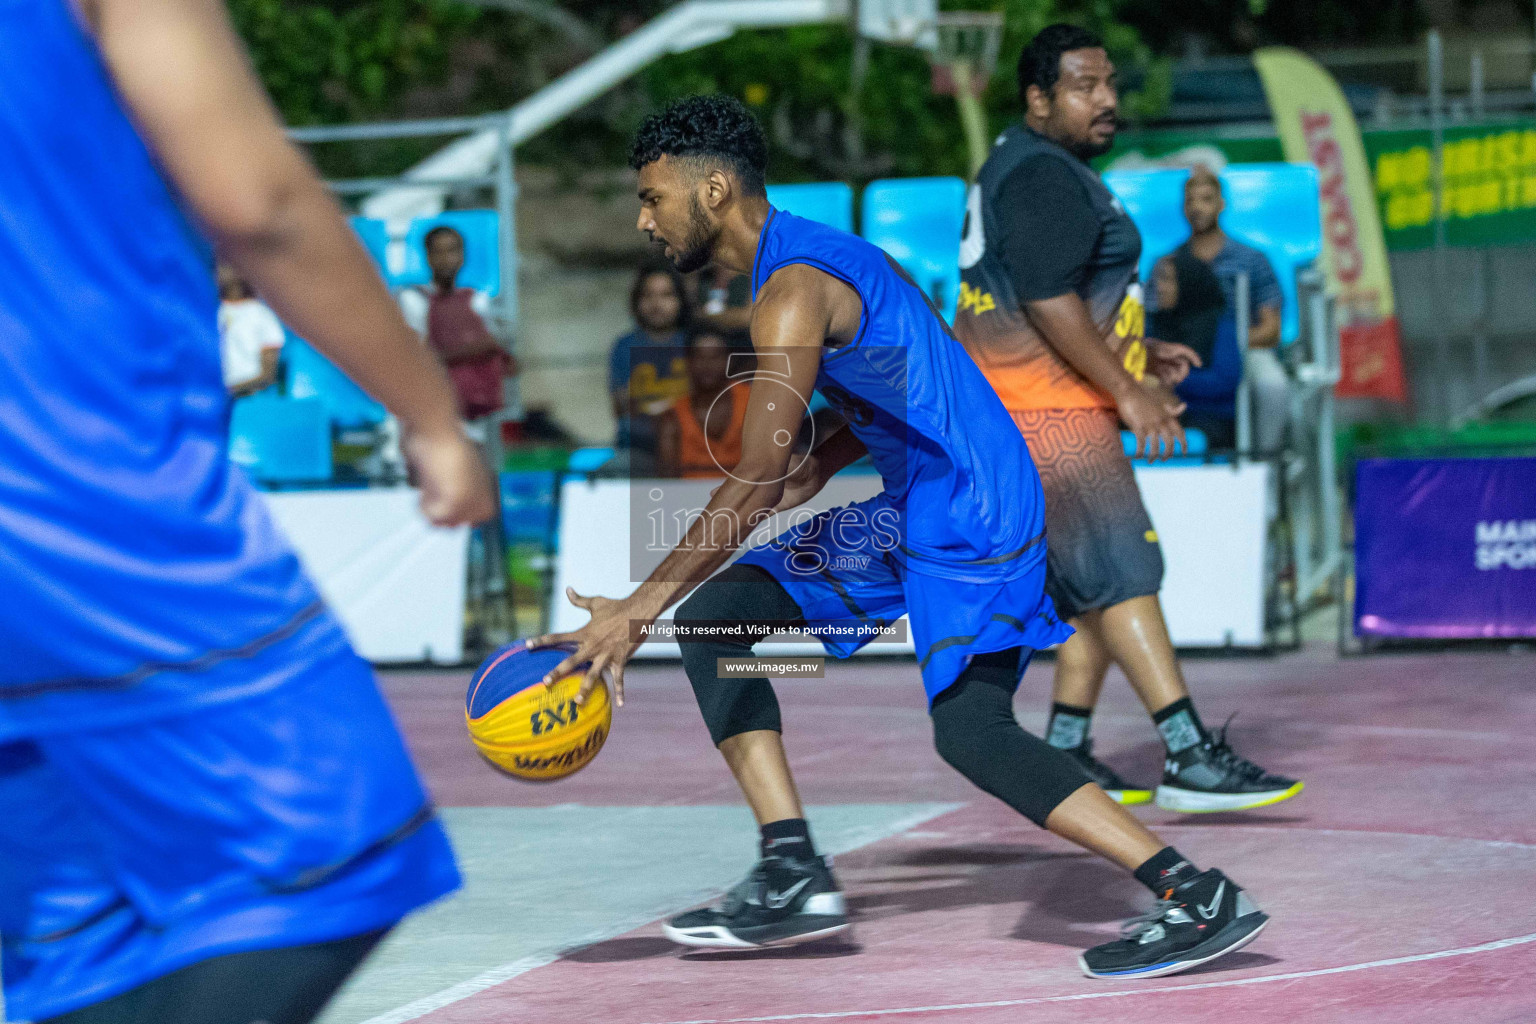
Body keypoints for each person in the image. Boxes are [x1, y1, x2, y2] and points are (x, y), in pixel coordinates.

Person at [531, 94, 1270, 980]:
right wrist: (815, 463)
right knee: (718, 618)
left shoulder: (792, 291)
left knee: (972, 733)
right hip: (927, 496)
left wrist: (636, 609)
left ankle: (1194, 893)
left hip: (971, 509)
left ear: (715, 190)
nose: (644, 221)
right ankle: (792, 867)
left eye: (653, 198)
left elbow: (758, 475)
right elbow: (899, 377)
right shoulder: (829, 258)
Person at [0, 1, 496, 1021]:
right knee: (333, 850)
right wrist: (428, 409)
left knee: (84, 943)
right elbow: (256, 198)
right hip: (83, 501)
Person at [951, 24, 1302, 812]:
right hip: (1052, 414)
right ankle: (1188, 754)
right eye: (1084, 86)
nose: (1106, 100)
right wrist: (1129, 390)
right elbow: (1046, 299)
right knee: (1126, 576)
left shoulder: (1030, 163)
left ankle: (1070, 745)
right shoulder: (1044, 174)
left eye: (1108, 84)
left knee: (1090, 591)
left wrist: (1148, 348)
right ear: (1039, 99)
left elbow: (1044, 290)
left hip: (1024, 412)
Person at [1178, 165, 1290, 455]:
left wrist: (1224, 347)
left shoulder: (1251, 259)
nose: (1197, 208)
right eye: (1190, 200)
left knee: (1271, 385)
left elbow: (1271, 329)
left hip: (1243, 347)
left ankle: (1265, 461)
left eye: (1205, 199)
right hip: (1183, 351)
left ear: (1221, 204)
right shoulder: (1171, 263)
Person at [399, 224, 520, 439]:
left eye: (453, 251)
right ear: (428, 256)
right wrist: (472, 350)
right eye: (439, 252)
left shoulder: (476, 300)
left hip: (475, 413)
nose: (447, 259)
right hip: (433, 413)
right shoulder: (414, 300)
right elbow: (414, 359)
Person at [1149, 250, 1243, 449]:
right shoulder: (1153, 325)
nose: (1159, 288)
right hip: (1157, 410)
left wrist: (1170, 383)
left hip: (1209, 415)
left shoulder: (1220, 326)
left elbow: (1224, 381)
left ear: (1188, 283)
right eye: (1158, 280)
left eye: (1167, 280)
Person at [609, 262, 691, 453]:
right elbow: (622, 408)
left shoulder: (695, 343)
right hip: (637, 448)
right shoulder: (624, 346)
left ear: (680, 300)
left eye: (666, 295)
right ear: (636, 300)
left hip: (690, 447)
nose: (656, 304)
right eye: (648, 295)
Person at [656, 329, 749, 478]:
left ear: (729, 360)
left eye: (715, 357)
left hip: (749, 497)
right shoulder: (672, 416)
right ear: (688, 362)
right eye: (700, 357)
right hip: (689, 499)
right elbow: (668, 481)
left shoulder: (754, 402)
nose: (708, 365)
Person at [217, 261, 285, 398]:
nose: (219, 271)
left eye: (225, 264)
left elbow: (267, 376)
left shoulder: (262, 315)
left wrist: (228, 390)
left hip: (248, 400)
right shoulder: (207, 312)